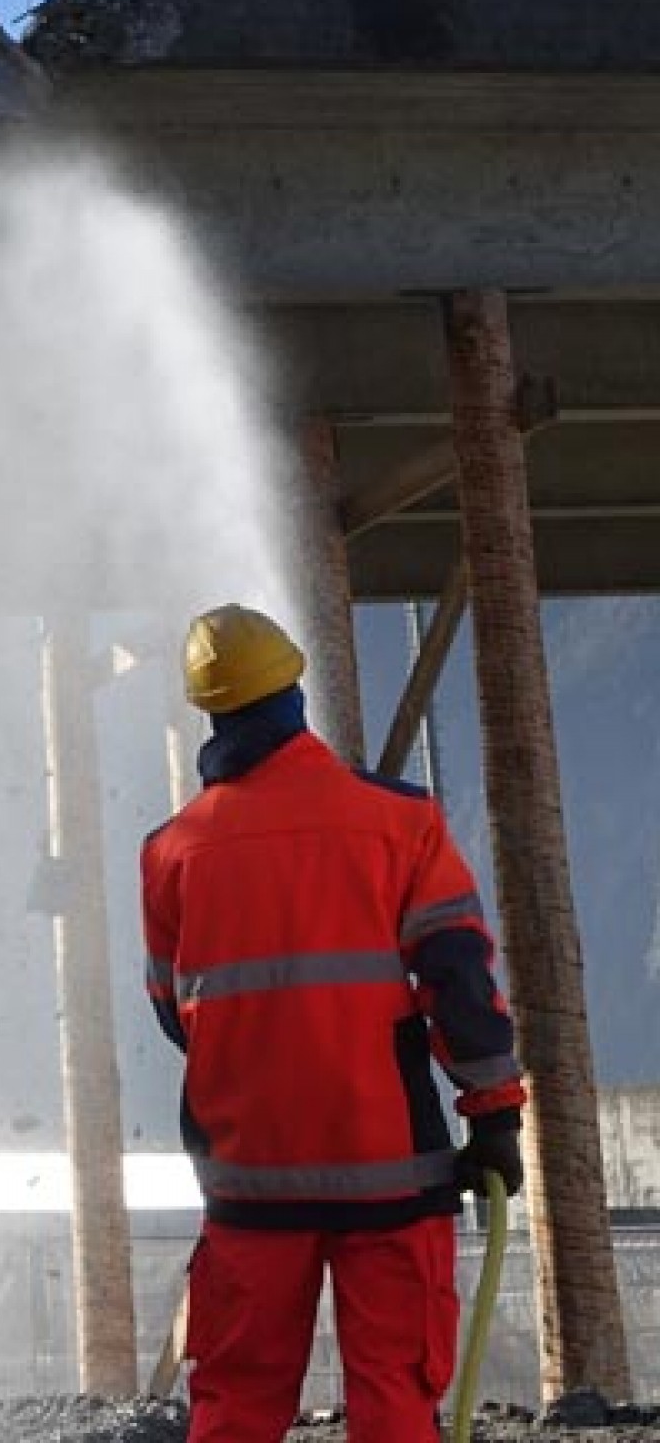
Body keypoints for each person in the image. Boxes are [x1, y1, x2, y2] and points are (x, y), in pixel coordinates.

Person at [141, 603, 526, 1443]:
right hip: (388, 1173)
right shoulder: (401, 822)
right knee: (394, 1396)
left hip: (248, 1183)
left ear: (209, 710)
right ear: (293, 693)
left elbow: (177, 1013)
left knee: (236, 1404)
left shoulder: (170, 852)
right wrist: (493, 1116)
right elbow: (457, 980)